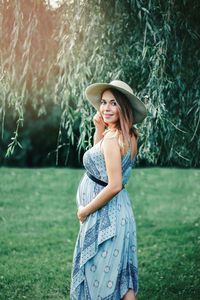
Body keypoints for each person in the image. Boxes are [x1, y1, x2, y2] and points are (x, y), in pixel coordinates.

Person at [70, 80, 147, 300]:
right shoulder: (130, 135)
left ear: (124, 107)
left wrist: (85, 211)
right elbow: (101, 161)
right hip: (122, 213)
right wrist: (99, 128)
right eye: (103, 102)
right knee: (122, 282)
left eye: (113, 103)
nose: (106, 108)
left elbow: (113, 185)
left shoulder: (113, 139)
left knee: (101, 281)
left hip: (107, 217)